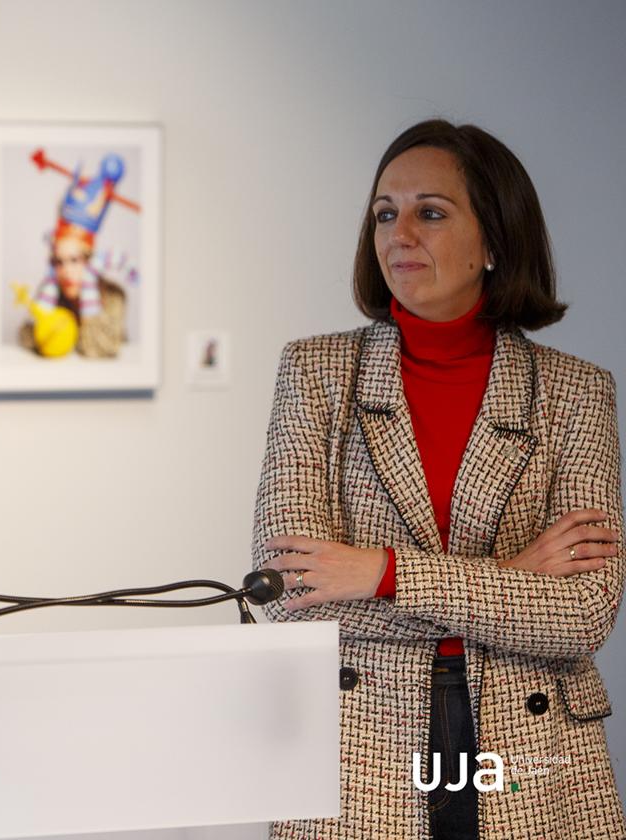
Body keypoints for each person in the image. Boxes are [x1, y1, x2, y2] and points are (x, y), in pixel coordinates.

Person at [253, 120, 624, 839]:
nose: (398, 234)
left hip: (533, 741)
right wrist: (511, 575)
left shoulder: (576, 391)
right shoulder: (315, 373)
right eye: (385, 214)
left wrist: (382, 571)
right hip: (362, 732)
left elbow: (585, 614)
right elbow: (289, 593)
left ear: (494, 240)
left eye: (429, 211)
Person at [18, 154, 128, 359]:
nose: (66, 270)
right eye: (58, 262)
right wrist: (46, 321)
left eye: (75, 260)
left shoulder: (114, 296)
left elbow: (101, 348)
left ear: (90, 260)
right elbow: (25, 335)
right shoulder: (52, 294)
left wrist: (87, 301)